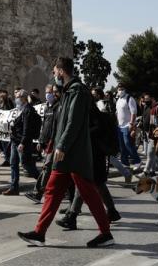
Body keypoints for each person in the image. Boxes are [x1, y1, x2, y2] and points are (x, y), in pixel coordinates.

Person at [17, 58, 114, 249]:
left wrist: (61, 146)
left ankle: (105, 233)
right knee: (52, 191)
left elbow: (74, 122)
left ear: (61, 71)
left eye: (55, 72)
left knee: (88, 192)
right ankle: (39, 233)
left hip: (74, 153)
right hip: (64, 153)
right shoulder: (69, 92)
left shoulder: (77, 91)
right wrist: (55, 144)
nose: (54, 76)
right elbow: (62, 123)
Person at [57, 89, 121, 230]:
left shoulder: (91, 114)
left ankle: (72, 216)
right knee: (98, 184)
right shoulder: (93, 113)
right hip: (95, 155)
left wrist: (82, 134)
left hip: (93, 155)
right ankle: (111, 212)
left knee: (84, 184)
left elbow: (95, 130)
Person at [25, 84, 60, 203]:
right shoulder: (47, 108)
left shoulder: (58, 107)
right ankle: (68, 194)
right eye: (47, 92)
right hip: (47, 142)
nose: (49, 94)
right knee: (56, 170)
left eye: (50, 92)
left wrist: (52, 142)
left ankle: (37, 193)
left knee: (47, 167)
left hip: (55, 142)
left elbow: (56, 127)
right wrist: (40, 140)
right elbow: (44, 126)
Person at [4, 90, 40, 195]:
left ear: (23, 98)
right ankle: (14, 187)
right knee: (13, 164)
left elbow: (26, 129)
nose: (16, 99)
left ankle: (44, 182)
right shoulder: (19, 109)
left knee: (27, 165)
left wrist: (23, 143)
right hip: (15, 141)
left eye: (18, 97)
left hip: (22, 143)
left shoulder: (27, 110)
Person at [115, 84, 141, 170]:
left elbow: (133, 112)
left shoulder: (129, 98)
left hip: (127, 125)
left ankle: (137, 161)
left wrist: (131, 124)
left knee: (128, 144)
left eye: (122, 89)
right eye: (119, 89)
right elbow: (118, 113)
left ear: (125, 89)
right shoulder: (118, 100)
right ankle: (124, 163)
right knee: (122, 146)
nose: (120, 90)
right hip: (120, 126)